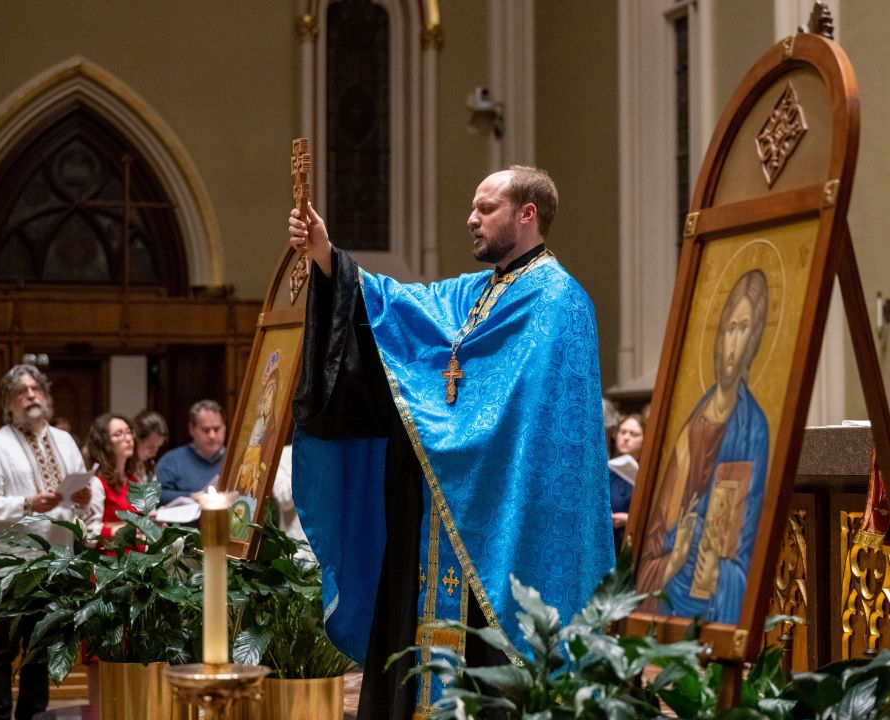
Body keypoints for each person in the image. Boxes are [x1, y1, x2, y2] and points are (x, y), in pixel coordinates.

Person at [288, 165, 613, 718]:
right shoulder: (472, 293)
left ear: (527, 214)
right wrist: (327, 257)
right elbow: (397, 306)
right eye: (473, 207)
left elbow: (540, 440)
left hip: (503, 530)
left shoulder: (561, 302)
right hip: (433, 517)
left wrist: (449, 437)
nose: (471, 219)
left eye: (486, 208)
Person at [635, 269, 770, 624]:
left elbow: (745, 556)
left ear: (754, 340)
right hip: (667, 590)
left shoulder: (752, 429)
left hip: (711, 605)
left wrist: (712, 568)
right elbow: (655, 536)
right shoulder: (690, 424)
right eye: (727, 328)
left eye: (742, 330)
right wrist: (674, 558)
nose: (731, 343)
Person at [0, 364, 91, 720]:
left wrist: (83, 497)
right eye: (22, 391)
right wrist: (27, 503)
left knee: (41, 649)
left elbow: (83, 492)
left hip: (58, 562)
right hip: (13, 565)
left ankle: (32, 716)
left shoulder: (65, 440)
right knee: (3, 650)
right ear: (9, 402)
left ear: (47, 396)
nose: (31, 395)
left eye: (36, 388)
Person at [84, 413, 141, 553]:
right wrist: (125, 529)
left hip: (138, 560)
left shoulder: (135, 480)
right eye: (118, 434)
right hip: (109, 563)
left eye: (129, 432)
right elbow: (89, 536)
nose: (128, 438)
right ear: (105, 444)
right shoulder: (96, 482)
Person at [155, 399, 226, 505]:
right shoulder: (171, 460)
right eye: (206, 430)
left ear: (224, 427)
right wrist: (193, 496)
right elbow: (156, 495)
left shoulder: (236, 460)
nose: (212, 436)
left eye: (217, 429)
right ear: (192, 429)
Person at [608, 413, 644, 554]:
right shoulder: (606, 470)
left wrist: (630, 520)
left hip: (632, 547)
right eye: (623, 432)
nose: (626, 438)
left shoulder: (646, 475)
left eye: (634, 434)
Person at [133, 409, 168, 483]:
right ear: (136, 439)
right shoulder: (121, 466)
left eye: (158, 447)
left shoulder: (149, 465)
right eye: (150, 447)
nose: (154, 454)